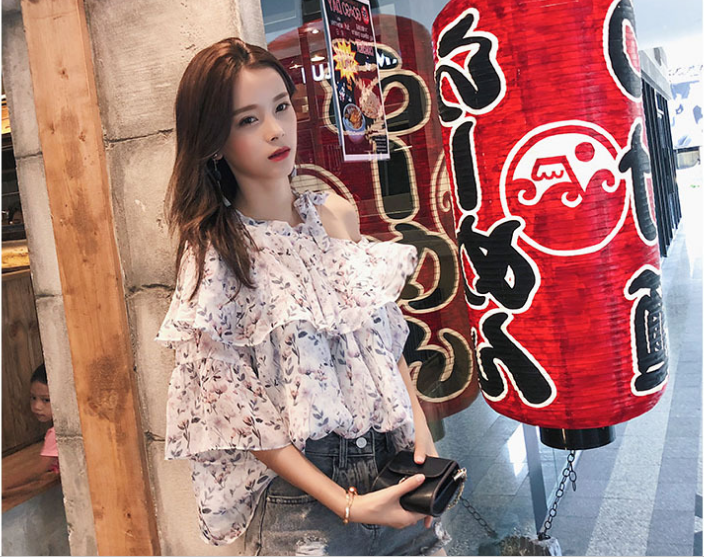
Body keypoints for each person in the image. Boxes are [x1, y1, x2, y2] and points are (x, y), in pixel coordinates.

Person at [155, 37, 450, 555]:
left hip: (394, 467)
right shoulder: (217, 252)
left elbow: (382, 340)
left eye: (281, 107)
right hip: (306, 505)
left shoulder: (336, 214)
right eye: (248, 120)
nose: (275, 130)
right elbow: (240, 412)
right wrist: (348, 505)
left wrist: (419, 434)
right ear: (214, 140)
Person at [3, 364, 60, 500]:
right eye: (33, 398)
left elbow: (37, 471)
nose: (36, 406)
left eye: (46, 400)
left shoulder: (56, 433)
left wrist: (5, 482)